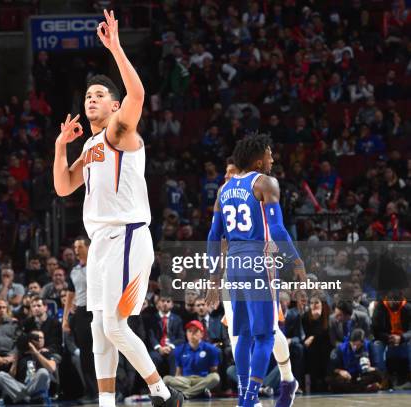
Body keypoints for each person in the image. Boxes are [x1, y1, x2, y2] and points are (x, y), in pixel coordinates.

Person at [52, 10, 183, 407]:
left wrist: (116, 48)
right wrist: (60, 147)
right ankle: (107, 403)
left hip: (127, 234)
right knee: (98, 328)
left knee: (114, 324)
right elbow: (62, 187)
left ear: (113, 106)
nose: (90, 99)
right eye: (87, 95)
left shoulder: (118, 132)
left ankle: (163, 392)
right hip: (101, 243)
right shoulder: (90, 146)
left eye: (98, 95)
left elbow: (138, 96)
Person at [206, 134, 306, 407]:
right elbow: (277, 229)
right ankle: (250, 399)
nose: (273, 160)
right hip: (258, 261)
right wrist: (297, 263)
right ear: (259, 159)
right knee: (265, 336)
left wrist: (214, 278)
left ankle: (247, 395)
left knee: (244, 335)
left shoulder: (223, 191)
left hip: (234, 265)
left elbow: (213, 236)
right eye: (270, 155)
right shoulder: (266, 183)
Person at [63, 236, 97, 400]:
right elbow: (70, 297)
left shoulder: (99, 265)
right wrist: (65, 319)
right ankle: (91, 392)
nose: (76, 250)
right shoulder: (74, 270)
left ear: (89, 247)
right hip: (82, 313)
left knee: (104, 351)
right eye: (75, 247)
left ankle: (113, 390)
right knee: (86, 354)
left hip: (99, 310)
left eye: (80, 247)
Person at [163, 320, 220, 399]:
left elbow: (213, 371)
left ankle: (184, 394)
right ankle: (200, 392)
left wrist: (208, 384)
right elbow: (178, 372)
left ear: (202, 334)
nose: (192, 333)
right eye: (189, 331)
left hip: (202, 379)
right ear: (186, 334)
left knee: (215, 377)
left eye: (196, 331)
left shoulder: (211, 349)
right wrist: (176, 381)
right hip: (185, 380)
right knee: (166, 379)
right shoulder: (179, 349)